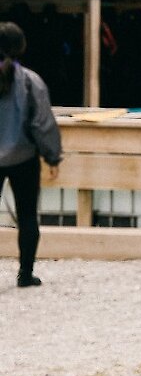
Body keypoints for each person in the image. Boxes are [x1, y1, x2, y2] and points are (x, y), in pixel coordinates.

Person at [0, 22, 64, 288]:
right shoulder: (30, 81)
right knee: (27, 217)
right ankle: (25, 273)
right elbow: (42, 123)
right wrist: (52, 156)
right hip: (23, 157)